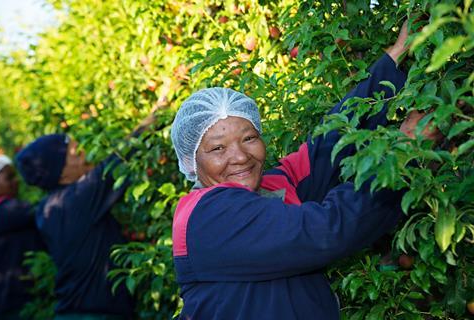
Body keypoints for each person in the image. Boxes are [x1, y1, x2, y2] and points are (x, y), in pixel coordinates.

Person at [169, 23, 437, 319]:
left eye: (249, 138)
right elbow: (325, 230)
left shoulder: (272, 186)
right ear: (192, 161)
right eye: (218, 149)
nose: (240, 157)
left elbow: (326, 144)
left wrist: (396, 55)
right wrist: (405, 148)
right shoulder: (208, 215)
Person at [15, 115, 156, 320]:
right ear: (61, 174)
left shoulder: (47, 208)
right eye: (74, 153)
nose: (84, 153)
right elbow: (121, 158)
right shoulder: (76, 201)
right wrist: (156, 115)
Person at [0, 154, 45, 320]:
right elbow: (46, 208)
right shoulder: (4, 209)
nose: (16, 181)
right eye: (9, 177)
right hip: (15, 301)